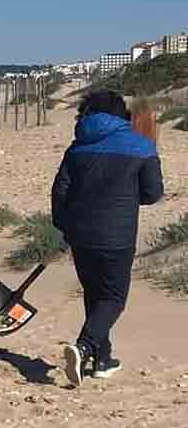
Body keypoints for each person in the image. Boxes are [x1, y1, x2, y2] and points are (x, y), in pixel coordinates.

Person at [52, 91, 162, 386]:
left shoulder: (77, 147)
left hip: (81, 236)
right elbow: (153, 193)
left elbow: (60, 192)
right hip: (117, 236)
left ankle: (102, 359)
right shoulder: (141, 146)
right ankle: (85, 347)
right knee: (113, 298)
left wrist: (64, 227)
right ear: (120, 114)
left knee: (94, 294)